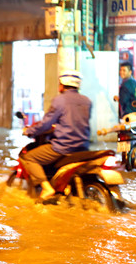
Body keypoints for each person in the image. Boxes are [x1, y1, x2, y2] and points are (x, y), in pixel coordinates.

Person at [19, 70, 92, 200]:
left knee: (29, 158)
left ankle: (46, 188)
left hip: (63, 147)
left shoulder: (60, 100)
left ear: (62, 85)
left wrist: (29, 131)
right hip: (83, 146)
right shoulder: (87, 101)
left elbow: (46, 124)